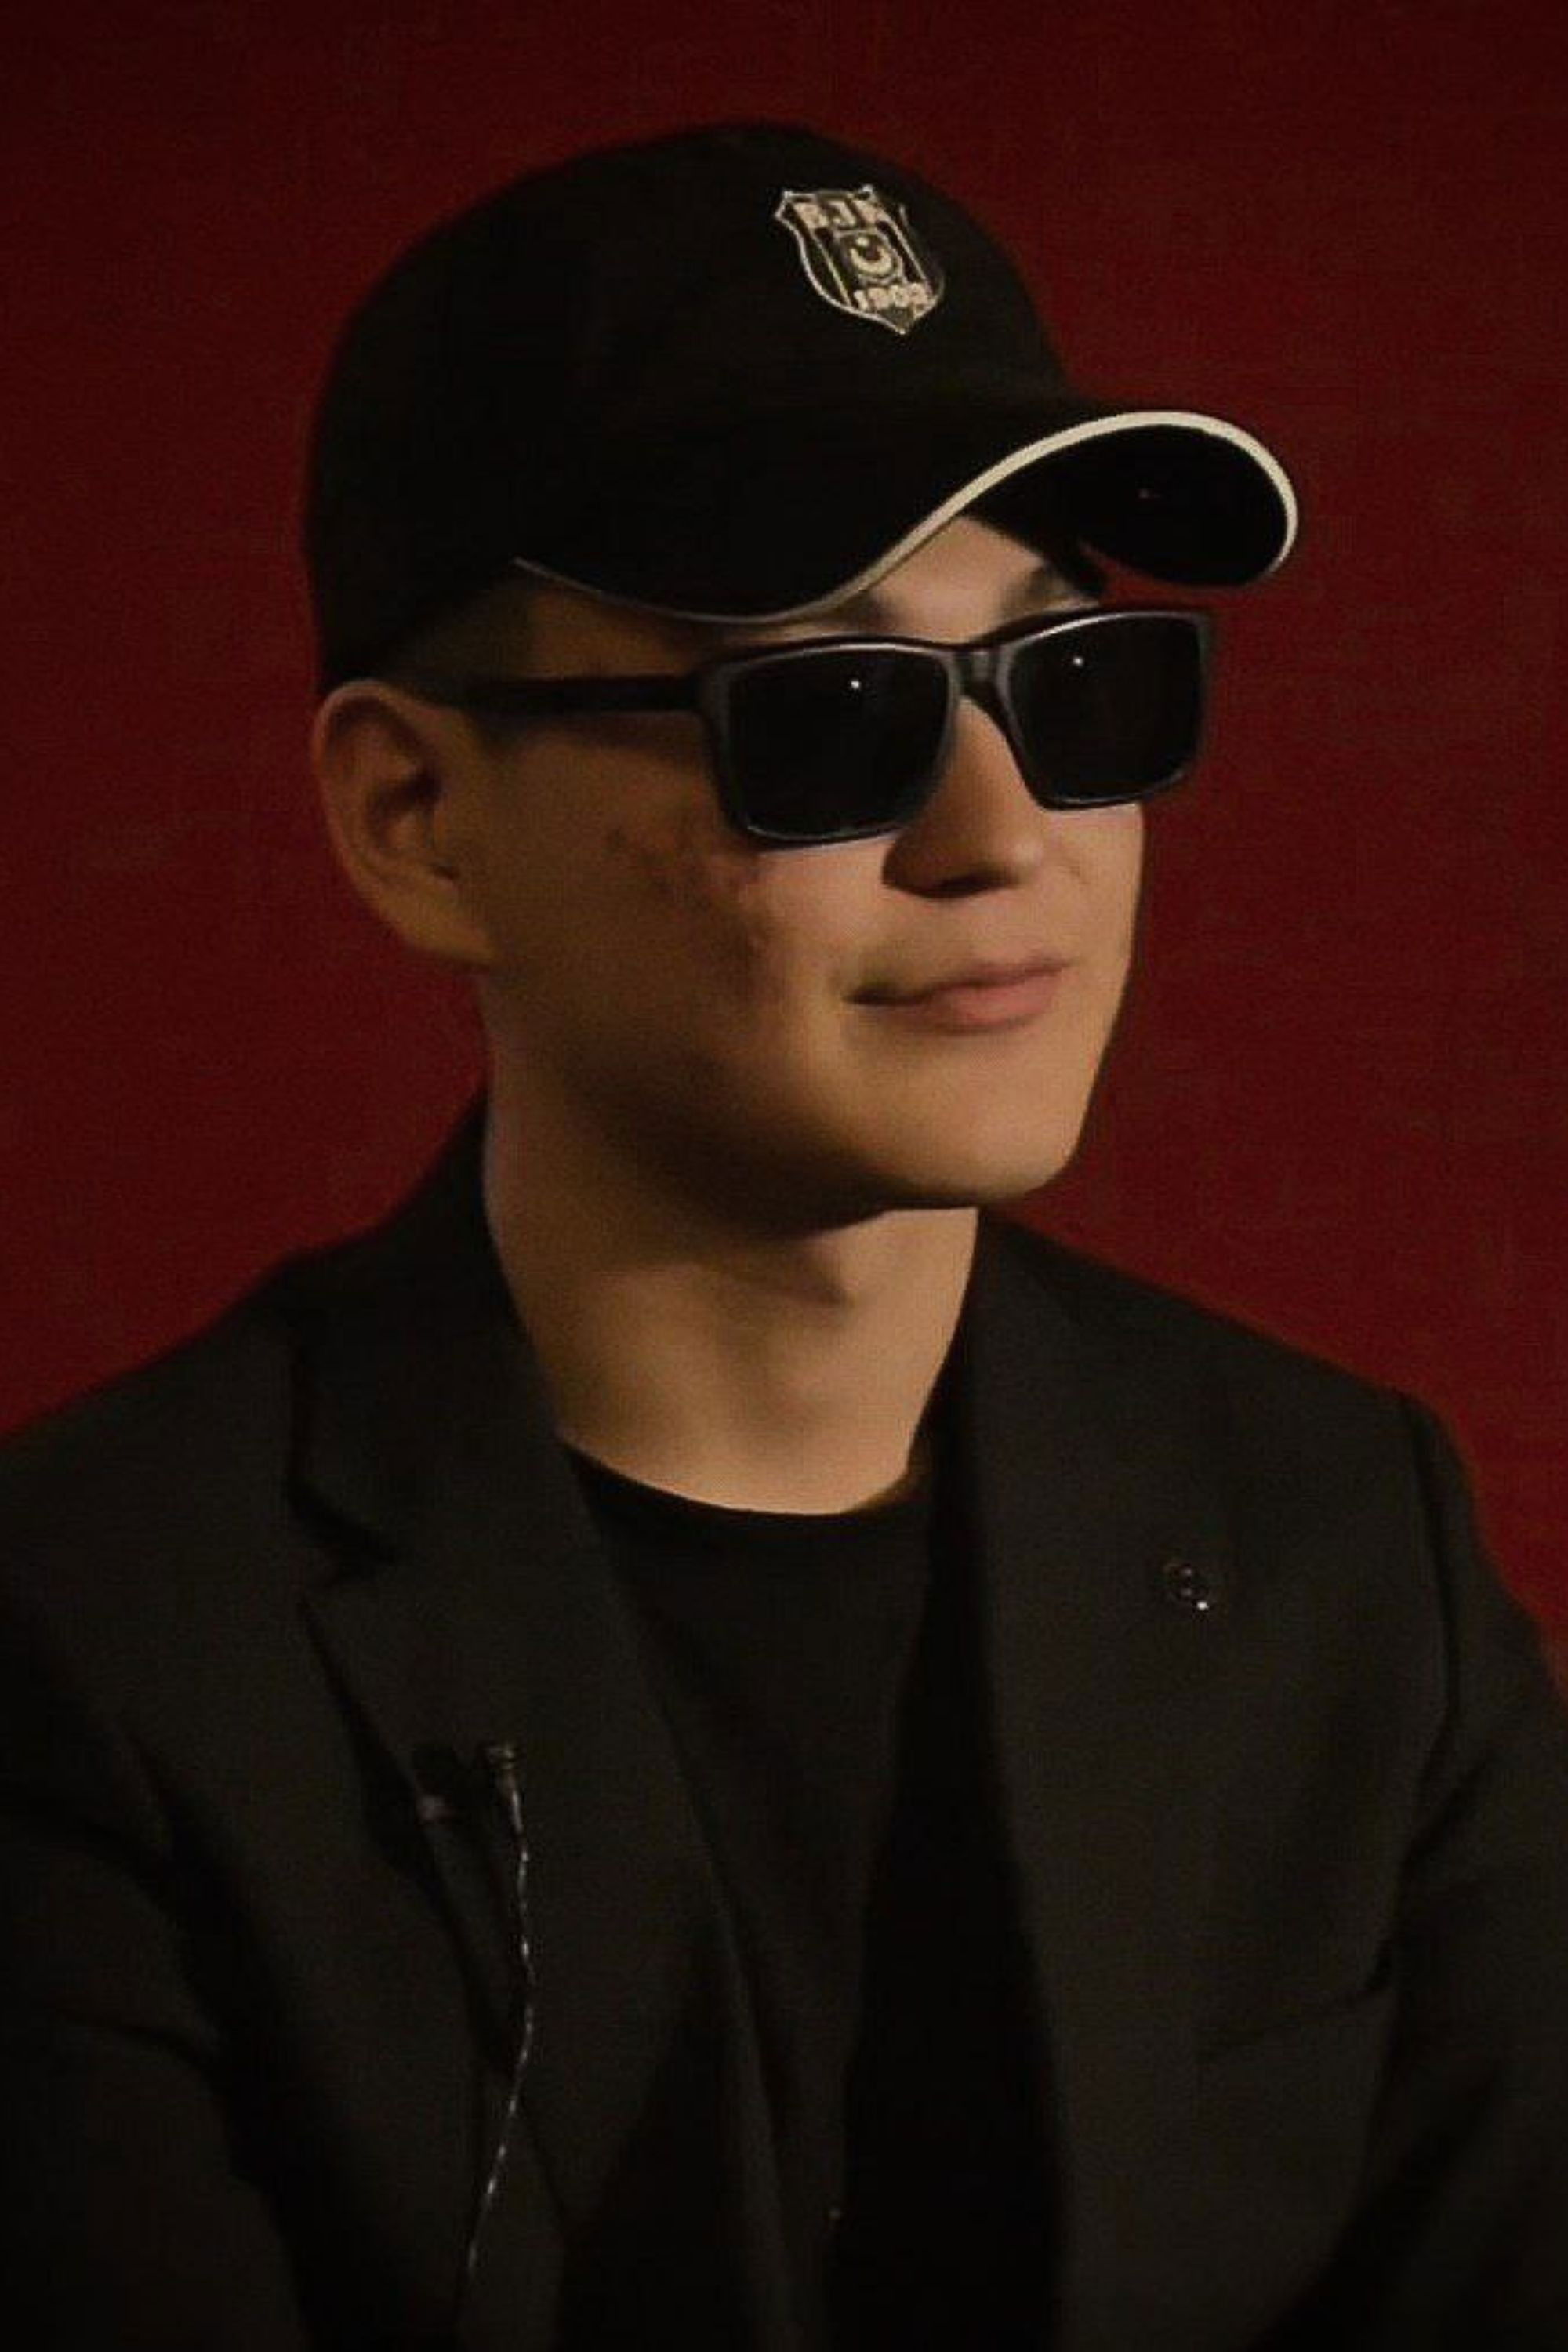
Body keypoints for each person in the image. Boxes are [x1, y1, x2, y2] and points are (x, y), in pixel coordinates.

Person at [2, 119, 1566, 2352]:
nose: (1004, 835)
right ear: (416, 817)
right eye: (827, 715)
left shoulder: (1344, 1550)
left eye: (1077, 686)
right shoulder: (104, 1649)